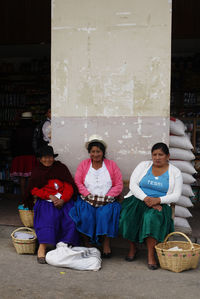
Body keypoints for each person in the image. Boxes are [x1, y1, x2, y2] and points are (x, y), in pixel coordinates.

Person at [119, 142, 183, 270]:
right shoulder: (143, 165)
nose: (157, 157)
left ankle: (151, 255)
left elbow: (176, 195)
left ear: (167, 156)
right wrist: (147, 199)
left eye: (161, 154)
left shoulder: (175, 172)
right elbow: (133, 185)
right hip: (139, 199)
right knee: (128, 215)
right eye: (154, 154)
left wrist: (158, 200)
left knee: (151, 218)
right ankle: (133, 248)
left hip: (161, 203)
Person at [23, 145, 80, 264]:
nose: (47, 160)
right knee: (48, 218)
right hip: (45, 200)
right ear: (40, 158)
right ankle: (42, 247)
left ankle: (64, 246)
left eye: (49, 157)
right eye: (44, 157)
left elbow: (69, 186)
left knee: (70, 218)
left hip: (64, 200)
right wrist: (48, 196)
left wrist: (63, 200)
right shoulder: (37, 171)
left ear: (53, 158)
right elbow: (33, 189)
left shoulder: (61, 168)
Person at [69, 135, 123, 258]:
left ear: (103, 152)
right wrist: (88, 195)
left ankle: (106, 243)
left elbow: (118, 184)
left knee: (105, 214)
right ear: (89, 153)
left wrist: (107, 197)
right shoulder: (84, 165)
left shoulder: (111, 165)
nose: (95, 154)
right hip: (87, 199)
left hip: (107, 200)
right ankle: (88, 243)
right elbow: (78, 182)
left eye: (98, 151)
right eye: (93, 151)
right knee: (85, 214)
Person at [10, 111, 37, 199]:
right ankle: (29, 196)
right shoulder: (34, 128)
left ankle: (23, 197)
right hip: (31, 155)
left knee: (22, 178)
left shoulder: (16, 129)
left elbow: (12, 143)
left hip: (19, 156)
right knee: (30, 177)